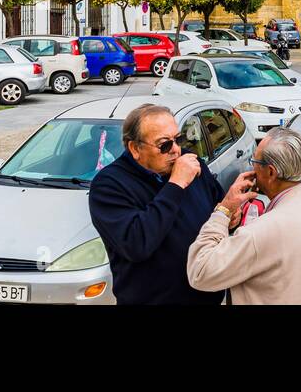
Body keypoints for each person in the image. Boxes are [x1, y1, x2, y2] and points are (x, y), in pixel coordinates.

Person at [187, 127, 301, 305]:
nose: (252, 167)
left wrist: (224, 210)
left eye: (255, 162)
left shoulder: (260, 232)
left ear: (271, 172)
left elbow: (200, 272)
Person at [88, 104, 227, 305]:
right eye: (164, 145)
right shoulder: (109, 185)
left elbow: (215, 210)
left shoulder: (191, 163)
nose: (176, 150)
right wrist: (176, 184)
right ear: (135, 148)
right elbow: (137, 244)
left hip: (205, 297)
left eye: (178, 139)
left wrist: (230, 209)